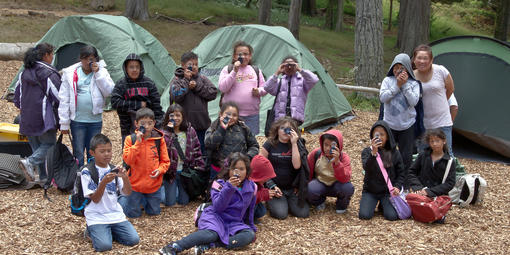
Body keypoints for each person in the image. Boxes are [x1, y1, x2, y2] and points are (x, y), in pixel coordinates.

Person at [159, 152, 257, 255]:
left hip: (233, 222)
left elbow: (250, 210)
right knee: (212, 234)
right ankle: (175, 246)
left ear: (247, 171)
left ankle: (211, 245)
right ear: (228, 170)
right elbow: (219, 207)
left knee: (249, 235)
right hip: (215, 216)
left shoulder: (252, 187)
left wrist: (251, 226)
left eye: (242, 169)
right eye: (234, 169)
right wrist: (229, 188)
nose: (238, 172)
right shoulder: (219, 184)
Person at [81, 134, 139, 252]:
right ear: (92, 153)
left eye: (109, 150)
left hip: (115, 214)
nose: (107, 154)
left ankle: (107, 232)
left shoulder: (114, 169)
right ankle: (92, 231)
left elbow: (127, 192)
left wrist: (125, 178)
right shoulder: (87, 171)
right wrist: (103, 183)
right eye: (102, 151)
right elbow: (95, 199)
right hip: (96, 216)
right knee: (104, 246)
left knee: (133, 240)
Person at [58, 45, 115, 166]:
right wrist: (64, 122)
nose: (89, 62)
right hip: (77, 119)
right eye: (86, 59)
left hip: (95, 119)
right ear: (80, 59)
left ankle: (92, 176)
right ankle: (79, 177)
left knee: (93, 151)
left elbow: (109, 91)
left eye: (92, 59)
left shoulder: (102, 72)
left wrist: (98, 73)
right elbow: (64, 98)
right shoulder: (70, 73)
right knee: (78, 151)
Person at [14, 43, 61, 183]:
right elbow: (58, 96)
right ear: (46, 55)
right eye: (52, 54)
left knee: (37, 147)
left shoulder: (24, 72)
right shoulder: (48, 73)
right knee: (49, 144)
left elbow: (17, 96)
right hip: (43, 116)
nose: (52, 57)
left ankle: (43, 177)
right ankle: (29, 162)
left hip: (26, 116)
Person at [121, 107, 170, 218]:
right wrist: (138, 143)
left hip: (153, 184)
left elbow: (165, 161)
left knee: (154, 213)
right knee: (133, 214)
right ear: (136, 124)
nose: (146, 127)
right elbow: (128, 160)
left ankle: (144, 202)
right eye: (143, 123)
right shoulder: (130, 139)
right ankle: (123, 199)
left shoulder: (159, 139)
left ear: (154, 124)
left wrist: (160, 170)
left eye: (150, 123)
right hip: (134, 184)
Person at [260, 117, 309, 219]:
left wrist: (294, 143)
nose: (285, 131)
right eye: (282, 128)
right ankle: (275, 201)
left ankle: (289, 202)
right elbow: (260, 166)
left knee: (303, 214)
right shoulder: (269, 144)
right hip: (275, 186)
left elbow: (297, 166)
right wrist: (271, 185)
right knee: (281, 214)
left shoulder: (298, 144)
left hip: (292, 188)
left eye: (289, 129)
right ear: (277, 130)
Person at [111, 53, 164, 147]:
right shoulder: (121, 84)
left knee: (149, 155)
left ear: (141, 68)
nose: (134, 70)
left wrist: (158, 124)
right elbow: (115, 102)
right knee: (129, 155)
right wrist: (138, 105)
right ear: (126, 69)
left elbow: (156, 104)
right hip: (127, 128)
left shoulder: (148, 83)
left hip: (148, 128)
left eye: (137, 67)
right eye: (131, 67)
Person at [170, 52, 218, 155]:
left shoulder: (202, 79)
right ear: (183, 65)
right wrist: (186, 81)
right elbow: (176, 95)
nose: (194, 67)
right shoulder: (177, 80)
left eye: (196, 64)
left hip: (202, 124)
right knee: (185, 152)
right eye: (191, 64)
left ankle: (202, 169)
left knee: (202, 151)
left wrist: (197, 87)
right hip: (184, 126)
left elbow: (213, 93)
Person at [379, 53, 420, 171]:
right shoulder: (387, 80)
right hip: (389, 124)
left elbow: (413, 102)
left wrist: (405, 85)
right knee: (388, 154)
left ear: (407, 68)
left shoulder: (414, 83)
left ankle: (404, 181)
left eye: (401, 68)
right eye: (395, 67)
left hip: (407, 125)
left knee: (406, 156)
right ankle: (388, 178)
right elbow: (383, 98)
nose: (398, 70)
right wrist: (397, 86)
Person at [413, 44, 455, 156]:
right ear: (414, 60)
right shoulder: (412, 76)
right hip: (423, 124)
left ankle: (448, 174)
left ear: (431, 59)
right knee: (423, 156)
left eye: (425, 58)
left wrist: (441, 104)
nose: (422, 61)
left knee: (446, 154)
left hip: (442, 121)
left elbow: (450, 89)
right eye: (419, 58)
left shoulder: (441, 70)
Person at [359, 121, 406, 221]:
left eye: (382, 134)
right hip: (370, 191)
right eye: (376, 134)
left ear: (387, 136)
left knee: (392, 216)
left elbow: (401, 172)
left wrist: (397, 186)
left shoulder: (394, 152)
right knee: (364, 215)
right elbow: (366, 168)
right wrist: (374, 153)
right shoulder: (367, 151)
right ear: (372, 136)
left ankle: (383, 205)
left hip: (387, 192)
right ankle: (375, 203)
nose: (379, 137)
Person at [218, 41, 266, 135]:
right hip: (229, 114)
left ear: (250, 56)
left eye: (246, 54)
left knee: (250, 141)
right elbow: (223, 88)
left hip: (251, 115)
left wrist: (259, 91)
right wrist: (234, 71)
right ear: (234, 56)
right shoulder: (227, 69)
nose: (243, 57)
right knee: (228, 139)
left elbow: (264, 88)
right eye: (240, 54)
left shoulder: (255, 70)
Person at [161, 104, 205, 206]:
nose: (175, 118)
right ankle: (162, 190)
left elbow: (196, 148)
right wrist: (169, 131)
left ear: (183, 117)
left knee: (184, 202)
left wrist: (199, 165)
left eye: (178, 115)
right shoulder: (164, 133)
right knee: (170, 203)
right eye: (172, 116)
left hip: (185, 170)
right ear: (168, 117)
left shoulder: (190, 131)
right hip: (170, 172)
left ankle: (176, 191)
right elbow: (163, 150)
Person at [205, 101, 259, 179]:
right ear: (221, 114)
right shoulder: (214, 127)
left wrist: (246, 157)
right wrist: (222, 129)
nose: (230, 117)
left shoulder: (243, 128)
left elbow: (254, 146)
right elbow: (209, 145)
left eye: (234, 115)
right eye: (228, 114)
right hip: (219, 170)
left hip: (239, 170)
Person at [307, 129, 354, 214]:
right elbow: (308, 172)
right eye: (326, 145)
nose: (328, 148)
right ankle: (319, 201)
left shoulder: (344, 157)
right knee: (310, 188)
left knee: (348, 188)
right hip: (320, 182)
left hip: (337, 185)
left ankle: (341, 205)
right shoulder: (316, 154)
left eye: (332, 145)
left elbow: (345, 179)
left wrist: (337, 163)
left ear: (339, 146)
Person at [263, 56, 319, 126]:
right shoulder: (279, 81)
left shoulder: (302, 81)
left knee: (292, 135)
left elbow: (314, 79)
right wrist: (277, 73)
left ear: (296, 65)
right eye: (286, 65)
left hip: (295, 118)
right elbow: (267, 87)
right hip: (280, 118)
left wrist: (300, 70)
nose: (289, 67)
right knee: (281, 135)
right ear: (283, 66)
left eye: (292, 65)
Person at [407, 129, 456, 198]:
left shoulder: (449, 161)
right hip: (419, 193)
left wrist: (429, 192)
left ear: (444, 141)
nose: (434, 144)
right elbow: (412, 172)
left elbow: (450, 183)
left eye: (437, 141)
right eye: (432, 141)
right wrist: (418, 187)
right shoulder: (423, 155)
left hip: (437, 196)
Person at [249, 154, 281, 223]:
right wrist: (264, 194)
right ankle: (246, 220)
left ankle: (251, 217)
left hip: (253, 203)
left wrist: (269, 192)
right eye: (266, 177)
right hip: (242, 209)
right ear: (259, 175)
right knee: (259, 209)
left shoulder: (258, 182)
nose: (268, 179)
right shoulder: (247, 183)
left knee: (262, 211)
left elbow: (259, 191)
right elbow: (247, 198)